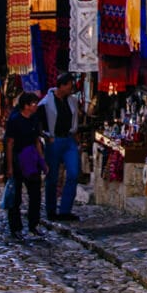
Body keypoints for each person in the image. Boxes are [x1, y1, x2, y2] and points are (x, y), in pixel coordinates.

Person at [38, 73, 81, 221]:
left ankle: (65, 210)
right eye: (69, 85)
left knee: (74, 173)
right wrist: (46, 136)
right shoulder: (46, 102)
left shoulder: (73, 101)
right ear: (62, 86)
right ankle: (51, 210)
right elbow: (39, 123)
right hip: (54, 140)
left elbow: (75, 120)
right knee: (53, 176)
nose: (71, 88)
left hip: (69, 139)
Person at [4, 92, 45, 238]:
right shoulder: (14, 120)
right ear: (26, 106)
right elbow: (9, 143)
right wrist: (9, 166)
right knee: (16, 196)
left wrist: (42, 161)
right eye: (33, 103)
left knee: (35, 195)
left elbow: (37, 141)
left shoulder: (34, 119)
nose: (36, 106)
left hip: (32, 161)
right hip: (17, 160)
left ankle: (33, 224)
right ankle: (16, 227)